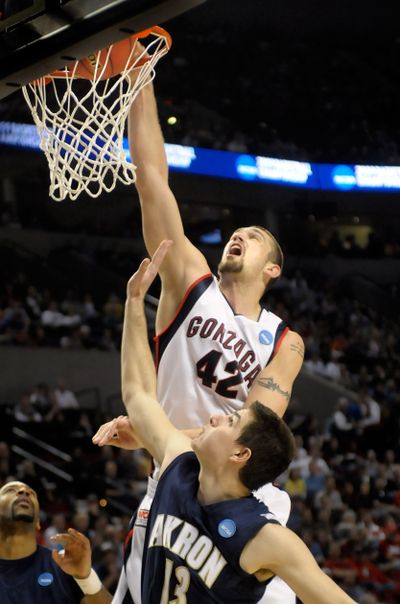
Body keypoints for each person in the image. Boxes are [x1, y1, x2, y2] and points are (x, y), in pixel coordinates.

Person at [112, 69, 304, 604]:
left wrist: (156, 430)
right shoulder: (188, 277)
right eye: (239, 232)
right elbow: (151, 177)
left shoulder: (284, 340)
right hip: (173, 481)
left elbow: (255, 433)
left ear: (273, 270)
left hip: (245, 494)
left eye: (257, 236)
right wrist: (137, 77)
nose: (241, 234)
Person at [110, 241, 357, 603]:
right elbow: (139, 395)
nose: (213, 416)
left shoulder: (264, 535)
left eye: (229, 421)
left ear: (241, 453)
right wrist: (133, 303)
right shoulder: (177, 463)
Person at [0, 480, 112, 603]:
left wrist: (86, 578)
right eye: (10, 490)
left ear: (38, 521)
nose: (24, 492)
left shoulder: (63, 564)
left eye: (31, 493)